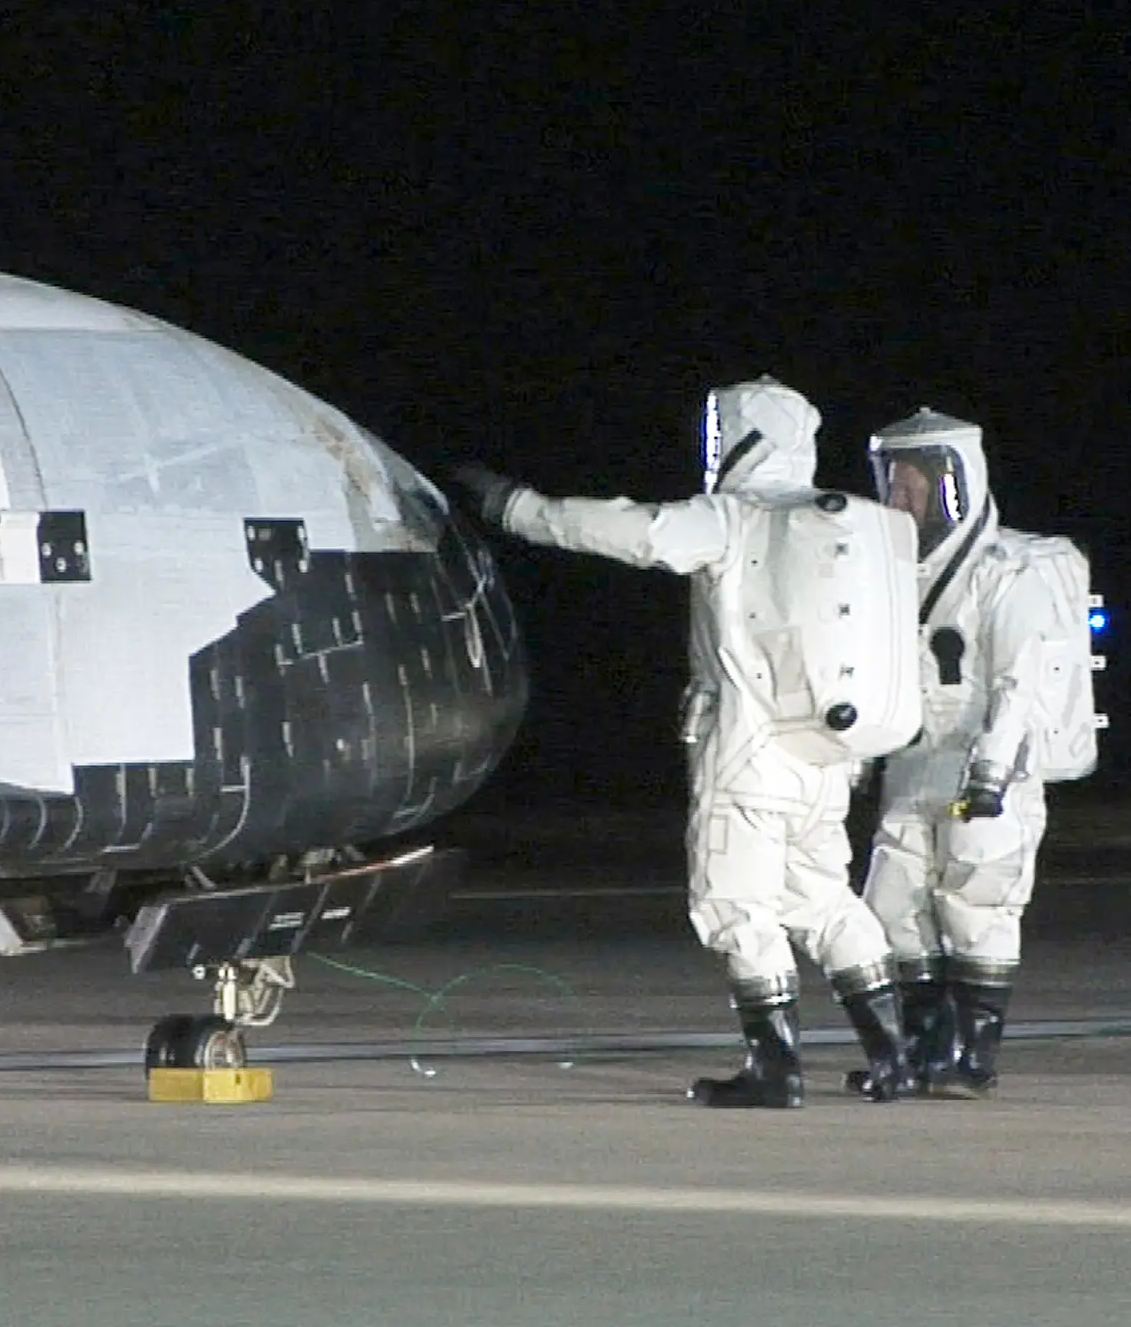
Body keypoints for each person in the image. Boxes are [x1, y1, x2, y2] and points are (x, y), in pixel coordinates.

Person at [452, 376, 918, 1107]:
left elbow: (632, 531)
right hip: (826, 760)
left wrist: (517, 508)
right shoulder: (829, 527)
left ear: (741, 437)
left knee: (733, 905)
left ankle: (775, 1070)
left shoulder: (734, 518)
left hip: (747, 755)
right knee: (825, 901)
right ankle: (895, 1060)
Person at [858, 409, 1059, 1098]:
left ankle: (973, 1058)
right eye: (892, 484)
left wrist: (992, 774)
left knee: (977, 905)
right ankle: (925, 1047)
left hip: (985, 765)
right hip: (913, 763)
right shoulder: (889, 574)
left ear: (955, 485)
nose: (899, 500)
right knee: (891, 904)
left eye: (913, 486)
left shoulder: (1007, 574)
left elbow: (1018, 682)